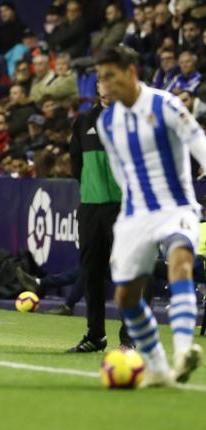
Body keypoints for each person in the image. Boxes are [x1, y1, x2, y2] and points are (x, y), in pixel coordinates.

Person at [95, 46, 205, 386]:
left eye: (111, 76)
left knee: (181, 259)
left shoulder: (166, 103)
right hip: (135, 215)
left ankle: (184, 351)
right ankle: (158, 368)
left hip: (176, 206)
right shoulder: (107, 122)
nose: (105, 85)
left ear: (131, 72)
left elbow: (198, 140)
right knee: (125, 298)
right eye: (101, 78)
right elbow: (121, 174)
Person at [66, 80, 132, 352]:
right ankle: (95, 335)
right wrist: (91, 189)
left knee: (127, 272)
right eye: (102, 80)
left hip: (125, 207)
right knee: (91, 271)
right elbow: (75, 163)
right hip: (91, 207)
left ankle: (130, 338)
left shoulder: (133, 118)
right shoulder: (84, 120)